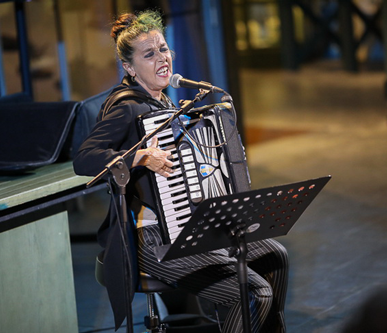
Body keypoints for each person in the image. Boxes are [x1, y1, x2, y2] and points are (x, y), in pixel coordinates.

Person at [73, 10, 289, 333]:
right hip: (153, 240)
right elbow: (84, 158)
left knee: (275, 257)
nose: (162, 58)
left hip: (188, 228)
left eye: (163, 49)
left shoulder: (165, 104)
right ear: (129, 68)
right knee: (252, 292)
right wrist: (141, 156)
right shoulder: (126, 107)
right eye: (150, 54)